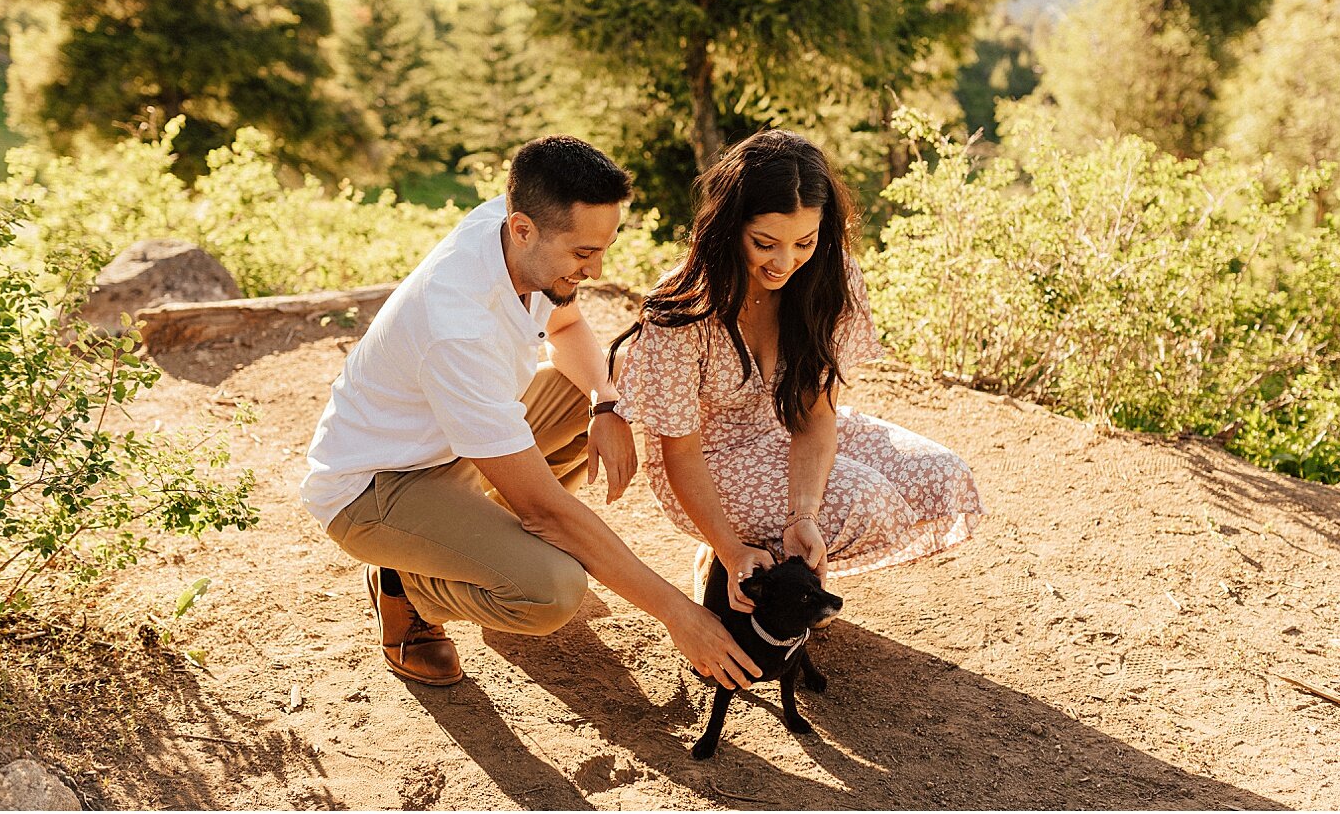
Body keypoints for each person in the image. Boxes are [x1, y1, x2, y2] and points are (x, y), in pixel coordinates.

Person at [301, 135, 761, 691]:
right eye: (583, 254)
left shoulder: (517, 233)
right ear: (523, 229)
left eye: (602, 249)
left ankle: (472, 541)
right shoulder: (457, 326)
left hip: (449, 446)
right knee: (551, 591)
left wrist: (606, 403)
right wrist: (679, 615)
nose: (593, 272)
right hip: (375, 488)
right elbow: (549, 511)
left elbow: (565, 328)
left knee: (595, 388)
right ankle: (405, 586)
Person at [611, 130, 984, 613]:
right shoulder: (685, 304)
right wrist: (729, 544)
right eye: (764, 243)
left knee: (943, 475)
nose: (785, 262)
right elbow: (680, 451)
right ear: (729, 226)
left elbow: (816, 414)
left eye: (804, 242)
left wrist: (801, 514)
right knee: (863, 500)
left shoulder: (831, 277)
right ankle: (732, 557)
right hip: (709, 456)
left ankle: (781, 561)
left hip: (789, 429)